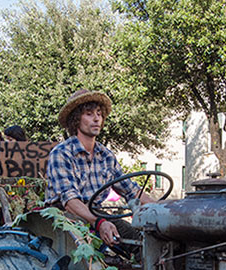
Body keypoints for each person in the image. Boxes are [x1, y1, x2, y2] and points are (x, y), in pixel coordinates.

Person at [46, 89, 154, 246]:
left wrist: (161, 208)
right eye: (89, 114)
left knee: (139, 242)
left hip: (95, 214)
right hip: (64, 216)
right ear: (76, 120)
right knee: (90, 255)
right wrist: (98, 222)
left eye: (99, 114)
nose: (96, 119)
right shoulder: (61, 153)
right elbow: (69, 201)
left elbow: (131, 190)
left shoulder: (105, 155)